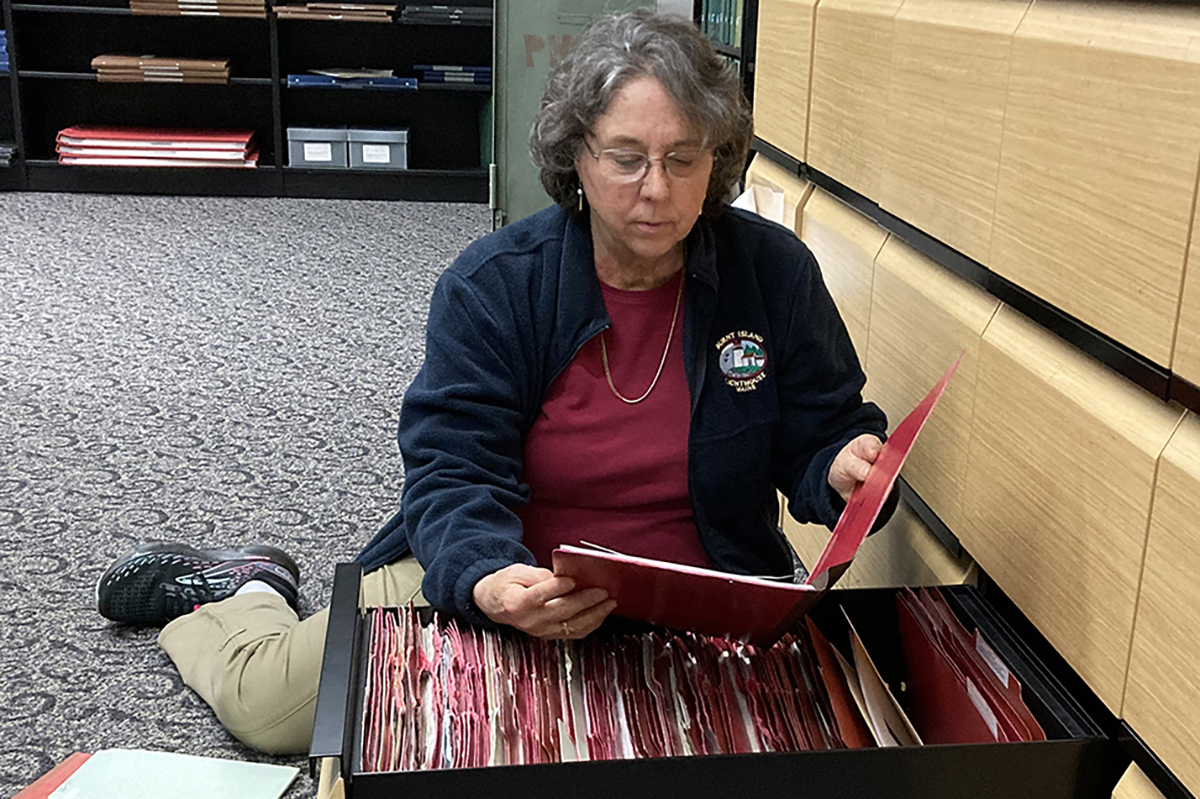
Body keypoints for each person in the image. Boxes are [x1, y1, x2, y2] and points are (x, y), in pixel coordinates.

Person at [96, 10, 893, 756]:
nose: (657, 187)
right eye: (626, 158)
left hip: (703, 593)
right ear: (575, 154)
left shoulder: (773, 272)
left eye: (684, 158)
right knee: (270, 705)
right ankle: (248, 590)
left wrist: (843, 466)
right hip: (519, 574)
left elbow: (822, 427)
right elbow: (449, 469)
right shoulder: (496, 283)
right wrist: (486, 579)